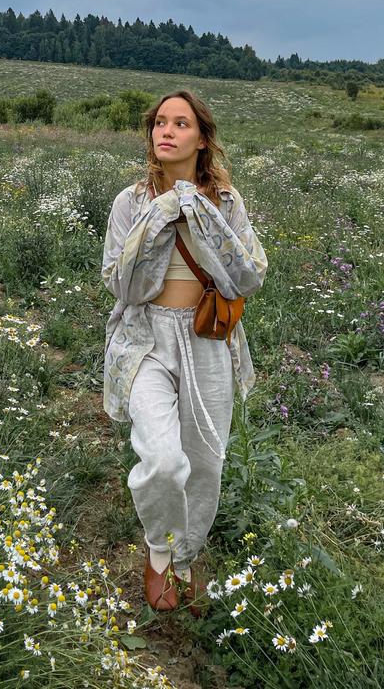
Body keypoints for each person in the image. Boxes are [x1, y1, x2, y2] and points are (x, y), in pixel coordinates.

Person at [101, 89, 268, 614]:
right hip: (146, 338)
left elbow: (249, 275)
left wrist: (201, 215)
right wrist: (158, 217)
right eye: (159, 123)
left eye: (181, 123)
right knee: (165, 459)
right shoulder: (130, 202)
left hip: (206, 341)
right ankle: (160, 552)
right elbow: (119, 284)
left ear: (201, 138)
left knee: (204, 463)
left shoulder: (227, 204)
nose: (166, 131)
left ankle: (186, 559)